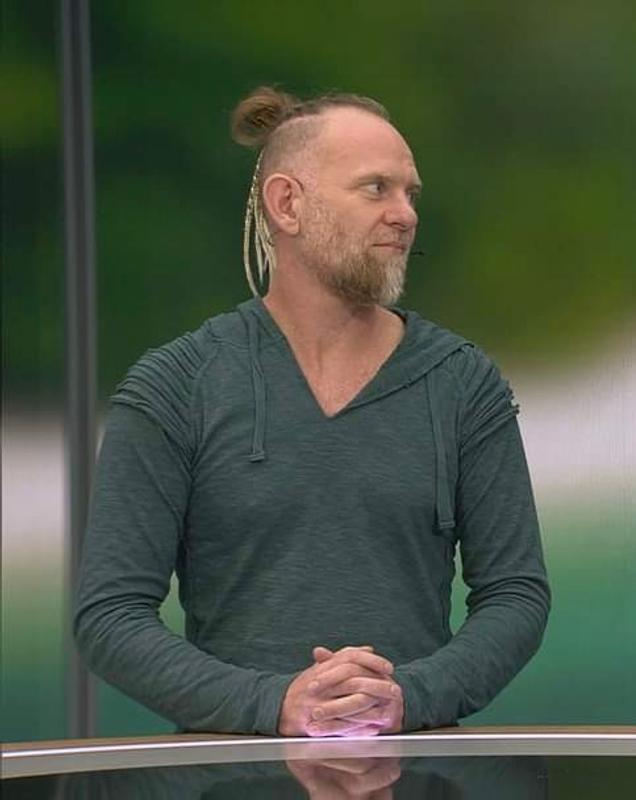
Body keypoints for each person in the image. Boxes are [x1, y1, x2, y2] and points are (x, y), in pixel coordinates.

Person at [74, 86, 551, 738]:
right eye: (376, 188)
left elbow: (517, 596)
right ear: (288, 204)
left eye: (410, 193)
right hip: (231, 777)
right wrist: (274, 704)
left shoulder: (463, 383)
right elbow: (109, 616)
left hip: (416, 771)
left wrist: (407, 698)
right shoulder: (177, 386)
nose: (405, 214)